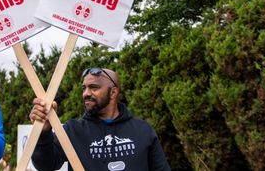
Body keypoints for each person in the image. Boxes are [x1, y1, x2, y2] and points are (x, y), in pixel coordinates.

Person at [30, 68, 171, 171]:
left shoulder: (143, 130)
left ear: (113, 92)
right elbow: (45, 166)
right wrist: (43, 134)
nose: (86, 93)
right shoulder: (72, 131)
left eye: (94, 87)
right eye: (84, 88)